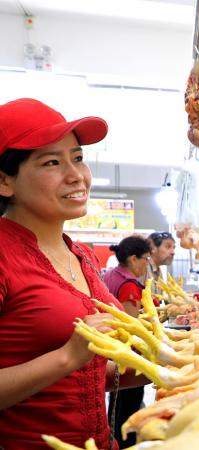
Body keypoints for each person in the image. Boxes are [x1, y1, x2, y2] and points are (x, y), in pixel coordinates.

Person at [0, 98, 145, 449]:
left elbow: (85, 375)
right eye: (52, 162)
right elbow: (73, 360)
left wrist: (175, 363)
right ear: (4, 181)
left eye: (78, 158)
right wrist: (67, 356)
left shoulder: (80, 255)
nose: (76, 175)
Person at [102, 235, 151, 448]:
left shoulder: (111, 275)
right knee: (127, 410)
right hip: (126, 357)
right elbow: (132, 326)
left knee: (115, 405)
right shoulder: (129, 284)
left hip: (110, 350)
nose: (147, 264)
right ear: (133, 259)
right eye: (146, 258)